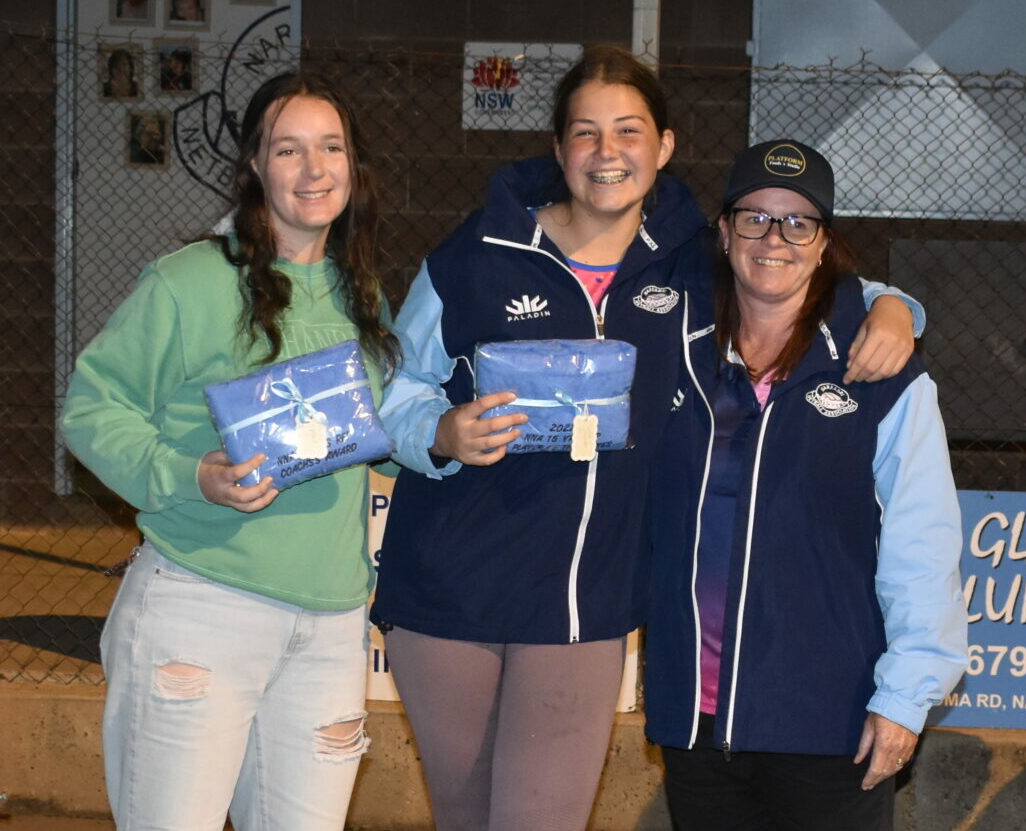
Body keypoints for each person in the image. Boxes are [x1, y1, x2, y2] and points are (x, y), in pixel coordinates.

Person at [371, 46, 925, 831]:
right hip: (450, 590)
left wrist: (899, 307)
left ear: (662, 147)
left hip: (581, 608)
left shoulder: (693, 262)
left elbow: (802, 272)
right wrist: (438, 430)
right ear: (558, 147)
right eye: (586, 133)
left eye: (628, 131)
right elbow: (395, 386)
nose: (607, 153)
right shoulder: (475, 256)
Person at [61, 71, 396, 830]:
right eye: (288, 149)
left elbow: (387, 430)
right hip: (202, 610)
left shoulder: (361, 292)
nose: (314, 170)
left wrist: (446, 436)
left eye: (331, 147)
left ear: (354, 164)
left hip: (333, 622)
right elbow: (90, 409)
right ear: (253, 166)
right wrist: (189, 475)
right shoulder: (189, 282)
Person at [643, 139, 969, 831]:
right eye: (755, 217)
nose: (774, 239)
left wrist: (904, 698)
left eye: (798, 222)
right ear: (724, 230)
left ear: (824, 242)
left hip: (830, 718)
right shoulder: (674, 351)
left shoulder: (884, 377)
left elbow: (922, 542)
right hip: (696, 720)